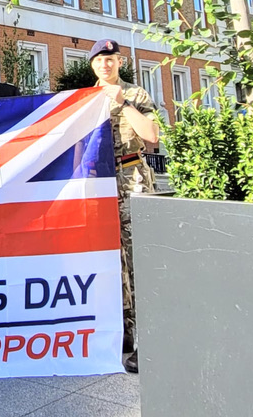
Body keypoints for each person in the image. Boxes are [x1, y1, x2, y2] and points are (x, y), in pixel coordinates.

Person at [89, 39, 159, 374]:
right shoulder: (85, 99)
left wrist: (124, 103)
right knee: (109, 259)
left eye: (111, 59)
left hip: (132, 176)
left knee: (137, 258)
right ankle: (125, 333)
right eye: (100, 60)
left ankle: (150, 339)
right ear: (93, 65)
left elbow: (152, 136)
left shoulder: (136, 94)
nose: (106, 65)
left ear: (119, 62)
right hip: (99, 183)